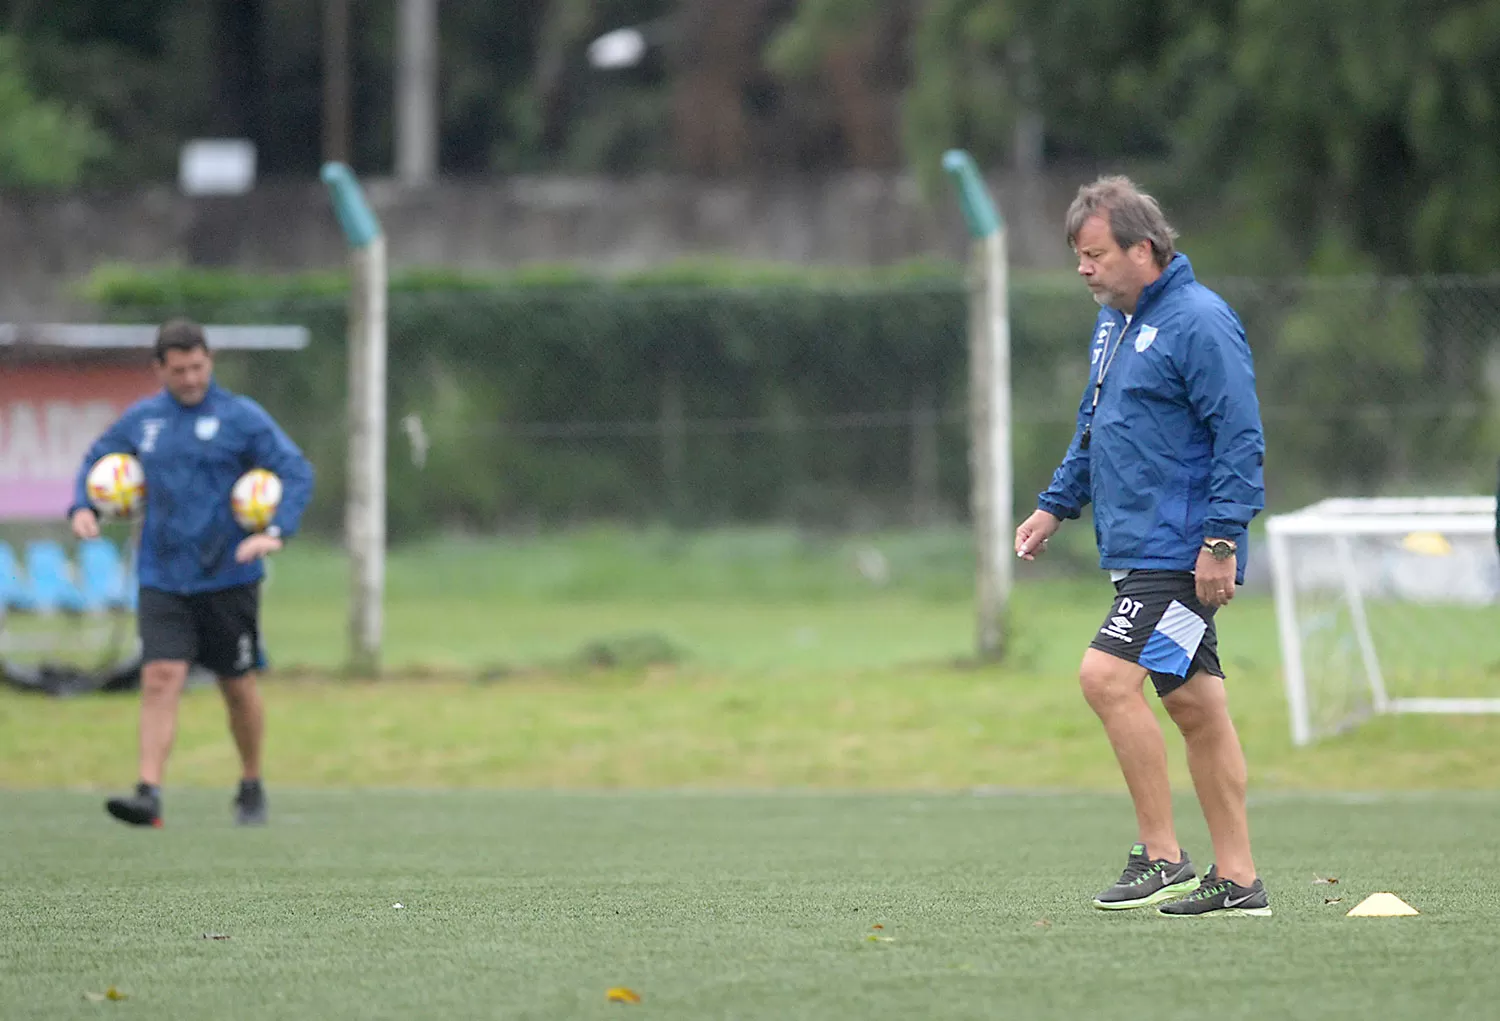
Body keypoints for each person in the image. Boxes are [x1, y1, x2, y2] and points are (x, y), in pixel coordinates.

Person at [1014, 177, 1270, 917]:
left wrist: (1222, 539)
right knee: (1194, 705)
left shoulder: (1199, 321)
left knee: (1105, 678)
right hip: (1138, 548)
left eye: (1096, 254)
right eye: (1079, 257)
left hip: (1181, 553)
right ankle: (1239, 877)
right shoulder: (1114, 324)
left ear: (1145, 249)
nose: (1083, 269)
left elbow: (1240, 436)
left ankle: (1163, 854)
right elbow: (1094, 428)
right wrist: (1055, 505)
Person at [69, 319, 314, 828]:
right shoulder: (143, 421)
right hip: (163, 576)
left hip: (229, 575)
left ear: (210, 362)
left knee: (237, 685)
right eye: (178, 370)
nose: (190, 378)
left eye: (197, 367)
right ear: (160, 369)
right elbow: (98, 458)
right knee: (160, 677)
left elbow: (295, 470)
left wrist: (276, 530)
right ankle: (149, 793)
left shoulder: (240, 418)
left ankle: (250, 782)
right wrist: (82, 506)